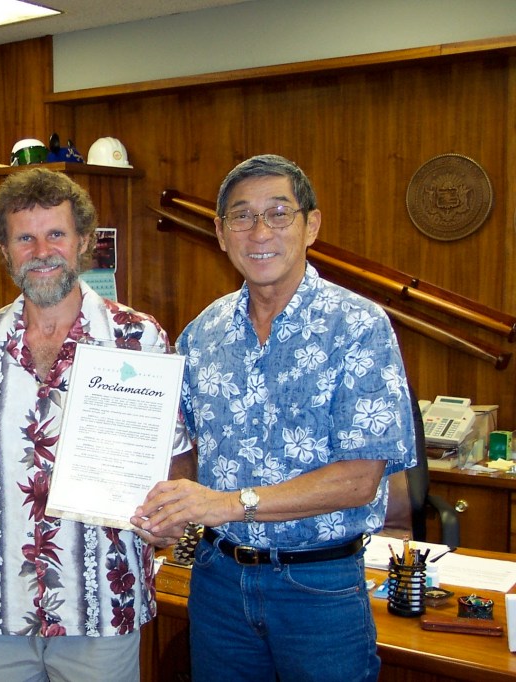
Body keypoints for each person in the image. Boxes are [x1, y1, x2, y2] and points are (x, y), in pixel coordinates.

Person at [133, 154, 416, 682]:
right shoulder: (202, 334)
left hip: (319, 587)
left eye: (279, 213)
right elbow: (178, 448)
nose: (260, 231)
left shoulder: (359, 326)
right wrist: (162, 510)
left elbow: (360, 480)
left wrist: (227, 504)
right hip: (217, 581)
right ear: (221, 233)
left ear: (312, 225)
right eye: (242, 216)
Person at [0, 167, 189, 681]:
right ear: (4, 250)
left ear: (84, 242)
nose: (41, 251)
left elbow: (173, 453)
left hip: (102, 599)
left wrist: (170, 521)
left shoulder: (138, 338)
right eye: (24, 238)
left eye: (56, 234)